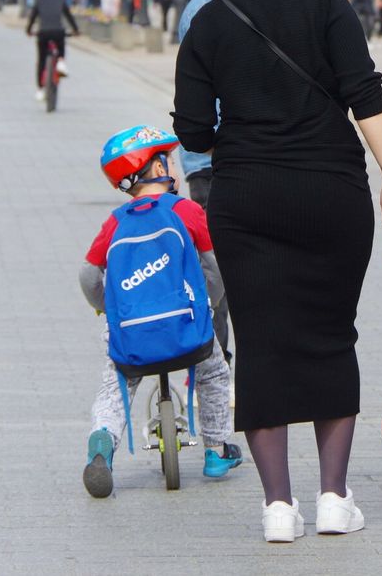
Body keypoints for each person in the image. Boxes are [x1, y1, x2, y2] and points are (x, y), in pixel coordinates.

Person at [173, 0, 382, 543]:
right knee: (332, 334)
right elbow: (365, 91)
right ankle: (334, 496)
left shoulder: (207, 24)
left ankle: (279, 507)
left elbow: (192, 127)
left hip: (245, 197)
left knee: (262, 342)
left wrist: (249, 143)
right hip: (331, 189)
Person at [78, 126, 243, 498]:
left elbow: (88, 275)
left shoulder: (116, 222)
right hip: (188, 331)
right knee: (214, 373)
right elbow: (215, 267)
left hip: (132, 335)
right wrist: (209, 302)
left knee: (116, 386)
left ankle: (102, 444)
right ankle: (217, 451)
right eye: (166, 160)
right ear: (155, 169)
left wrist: (109, 307)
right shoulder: (186, 210)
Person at [177, 0, 232, 365]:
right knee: (220, 274)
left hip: (211, 162)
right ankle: (217, 368)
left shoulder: (216, 2)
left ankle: (220, 367)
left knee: (222, 272)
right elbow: (202, 104)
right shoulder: (211, 8)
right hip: (216, 163)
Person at [25, 0, 80, 102]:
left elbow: (32, 17)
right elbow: (69, 16)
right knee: (61, 44)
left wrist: (28, 30)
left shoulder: (39, 0)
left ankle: (40, 89)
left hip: (43, 32)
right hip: (58, 31)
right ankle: (61, 61)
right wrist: (76, 30)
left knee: (41, 60)